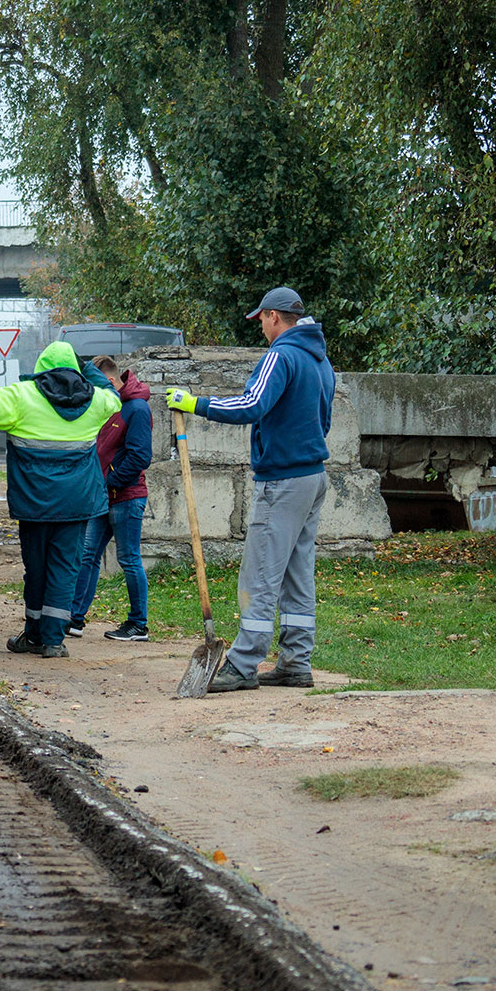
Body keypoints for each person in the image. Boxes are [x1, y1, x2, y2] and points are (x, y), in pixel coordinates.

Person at [165, 286, 336, 692]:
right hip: (312, 476)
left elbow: (250, 405)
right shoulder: (320, 360)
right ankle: (296, 662)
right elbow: (324, 418)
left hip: (282, 480)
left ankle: (243, 664)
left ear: (275, 316)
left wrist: (195, 403)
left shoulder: (281, 355)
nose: (260, 326)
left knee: (260, 574)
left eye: (261, 318)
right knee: (298, 574)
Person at [0, 341, 120, 658]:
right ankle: (53, 642)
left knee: (36, 570)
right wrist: (87, 367)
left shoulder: (21, 398)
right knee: (65, 570)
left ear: (42, 368)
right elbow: (113, 395)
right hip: (76, 506)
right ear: (75, 370)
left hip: (35, 505)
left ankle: (33, 636)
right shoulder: (96, 403)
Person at [67, 356, 151, 642]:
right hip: (102, 497)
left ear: (111, 382)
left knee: (129, 559)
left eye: (96, 386)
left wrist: (110, 482)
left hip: (126, 497)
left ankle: (138, 624)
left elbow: (140, 456)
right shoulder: (108, 405)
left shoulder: (136, 409)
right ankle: (74, 618)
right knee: (88, 555)